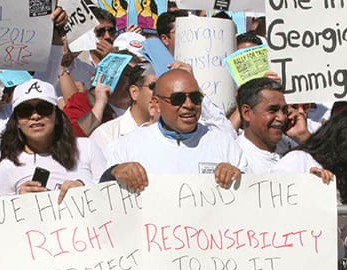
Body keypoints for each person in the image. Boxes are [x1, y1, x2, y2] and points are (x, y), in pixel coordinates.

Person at [272, 105, 347, 263]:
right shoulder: (298, 161)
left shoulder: (332, 173)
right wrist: (306, 187)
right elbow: (273, 214)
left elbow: (329, 228)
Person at [104, 68, 246, 192]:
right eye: (178, 99)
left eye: (196, 98)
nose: (189, 105)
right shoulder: (128, 145)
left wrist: (237, 176)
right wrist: (113, 173)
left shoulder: (224, 143)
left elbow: (250, 196)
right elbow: (99, 197)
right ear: (156, 104)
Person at [0, 79, 105, 198]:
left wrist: (84, 188)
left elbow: (110, 192)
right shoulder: (7, 166)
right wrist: (20, 200)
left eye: (44, 108)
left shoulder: (87, 148)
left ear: (57, 116)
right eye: (25, 111)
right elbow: (4, 212)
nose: (35, 116)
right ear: (16, 121)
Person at [90, 63, 158, 155]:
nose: (161, 94)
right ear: (134, 92)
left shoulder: (176, 134)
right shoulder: (106, 135)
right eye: (153, 87)